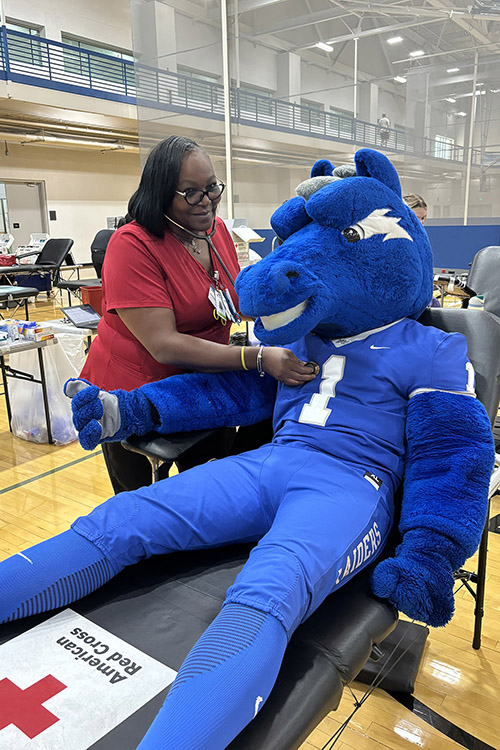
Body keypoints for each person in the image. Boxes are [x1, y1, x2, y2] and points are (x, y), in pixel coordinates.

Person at [80, 135, 316, 493]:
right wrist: (258, 358)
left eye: (211, 188)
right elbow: (164, 345)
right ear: (160, 192)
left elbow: (235, 299)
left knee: (210, 491)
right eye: (191, 192)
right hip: (136, 392)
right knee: (142, 509)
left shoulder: (215, 231)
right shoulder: (132, 245)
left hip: (205, 381)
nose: (206, 201)